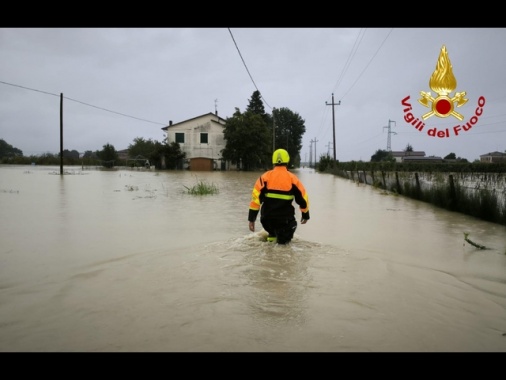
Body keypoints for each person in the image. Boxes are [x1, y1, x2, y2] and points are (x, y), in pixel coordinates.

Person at [248, 148, 310, 244]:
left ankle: (270, 247)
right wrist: (305, 214)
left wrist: (251, 219)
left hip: (267, 219)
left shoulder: (264, 178)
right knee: (283, 244)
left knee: (272, 235)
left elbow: (255, 200)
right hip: (285, 220)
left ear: (273, 161)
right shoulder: (293, 179)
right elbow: (303, 198)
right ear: (287, 161)